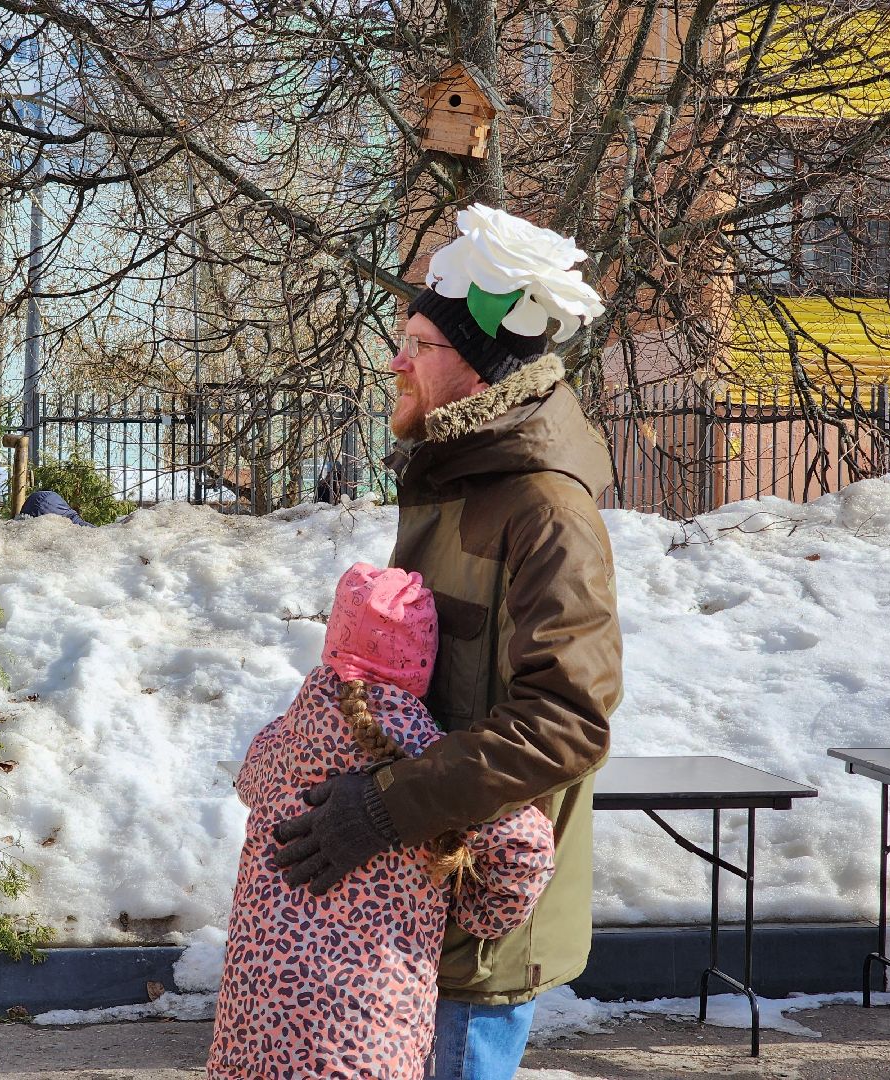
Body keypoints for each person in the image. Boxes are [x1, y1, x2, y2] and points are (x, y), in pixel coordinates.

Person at [273, 204, 624, 1079]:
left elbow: (566, 722)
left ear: (477, 367)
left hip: (481, 916)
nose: (395, 359)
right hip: (422, 893)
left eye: (418, 342)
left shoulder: (545, 509)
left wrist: (387, 808)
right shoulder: (457, 481)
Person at [209, 563, 555, 1080]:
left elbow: (248, 785)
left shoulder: (277, 740)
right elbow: (525, 845)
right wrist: (480, 916)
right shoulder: (425, 759)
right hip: (362, 1027)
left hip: (255, 1020)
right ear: (424, 663)